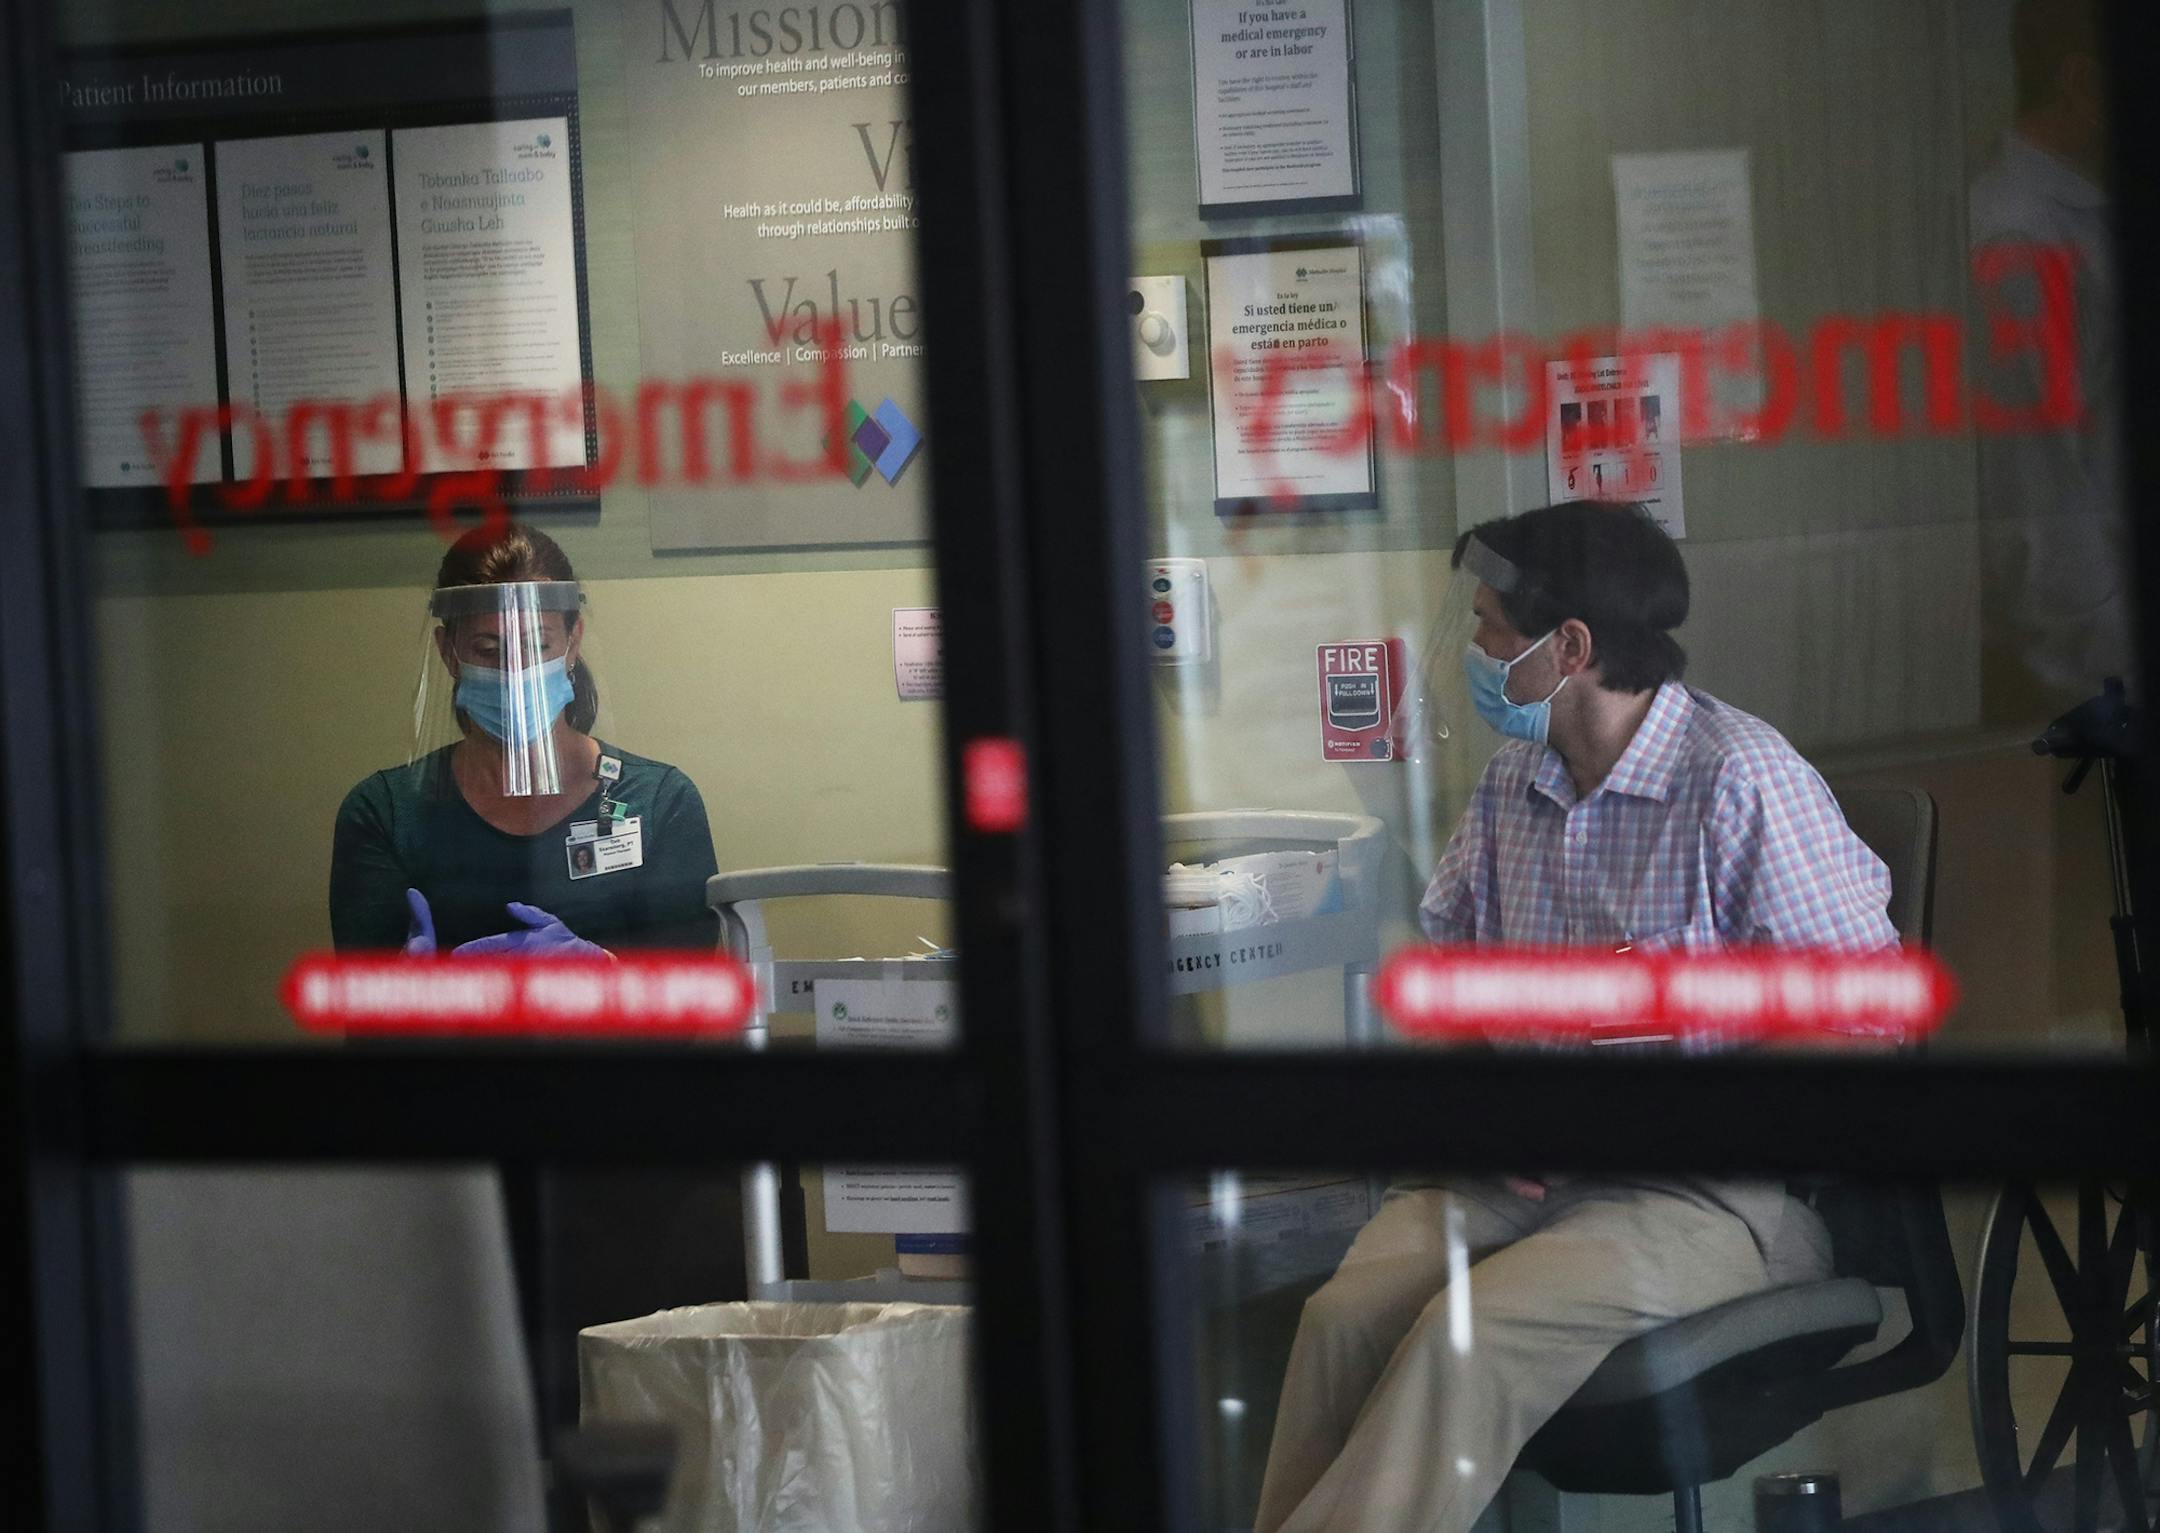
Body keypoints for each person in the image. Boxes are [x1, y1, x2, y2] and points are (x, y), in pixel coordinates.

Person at [1254, 502, 1899, 1533]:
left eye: (1490, 628)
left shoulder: (1741, 780)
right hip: (1526, 1173)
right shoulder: (1519, 783)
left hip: (1697, 1193)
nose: (1474, 649)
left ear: (1572, 649)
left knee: (1461, 1339)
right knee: (1340, 1319)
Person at [330, 521, 719, 957]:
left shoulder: (659, 803)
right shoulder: (386, 813)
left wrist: (605, 979)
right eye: (488, 650)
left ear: (573, 645)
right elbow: (361, 1010)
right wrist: (401, 998)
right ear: (447, 653)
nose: (515, 674)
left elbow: (691, 1005)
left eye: (536, 645)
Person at [1969, 0, 2126, 723]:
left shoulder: (2080, 216)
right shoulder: (2022, 240)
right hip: (2092, 672)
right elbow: (2038, 501)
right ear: (2083, 83)